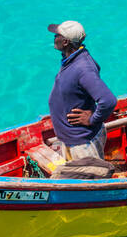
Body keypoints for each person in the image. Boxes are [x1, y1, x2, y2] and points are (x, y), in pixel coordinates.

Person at [46, 20, 118, 168]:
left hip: (81, 145)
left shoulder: (83, 68)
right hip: (72, 140)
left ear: (65, 42)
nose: (54, 38)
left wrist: (92, 119)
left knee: (92, 186)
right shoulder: (71, 60)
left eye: (56, 35)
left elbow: (108, 100)